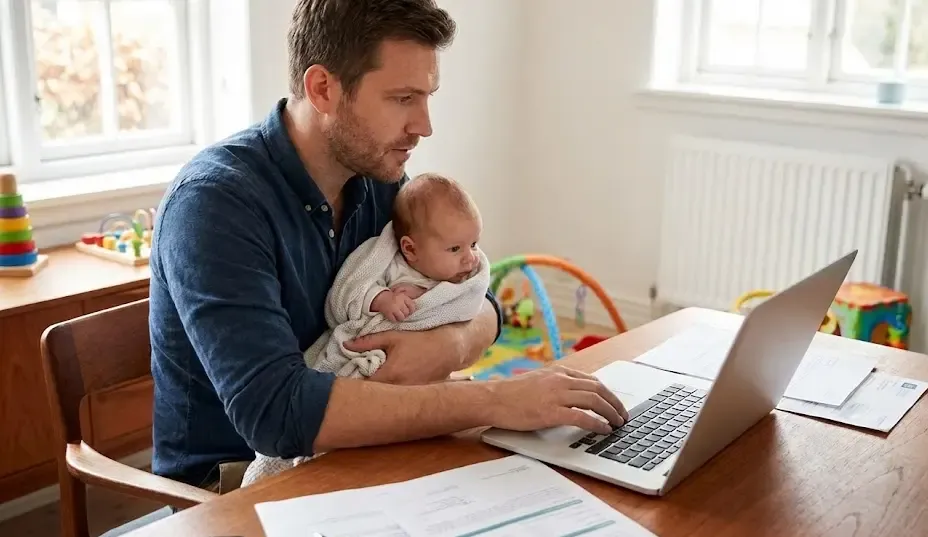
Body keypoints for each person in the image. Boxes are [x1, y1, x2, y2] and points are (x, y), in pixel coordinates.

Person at [148, 0, 628, 495]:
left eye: (427, 97)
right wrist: (494, 399)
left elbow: (477, 300)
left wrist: (449, 344)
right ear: (323, 89)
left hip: (355, 452)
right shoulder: (214, 204)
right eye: (403, 98)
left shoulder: (377, 178)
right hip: (236, 485)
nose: (424, 124)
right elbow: (276, 414)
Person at [241, 172, 493, 486]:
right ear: (410, 249)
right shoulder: (386, 258)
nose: (471, 259)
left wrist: (447, 340)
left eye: (474, 244)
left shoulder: (389, 181)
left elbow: (482, 304)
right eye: (456, 249)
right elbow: (347, 293)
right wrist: (381, 298)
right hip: (354, 367)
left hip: (414, 396)